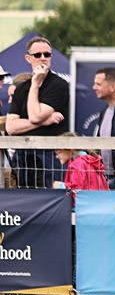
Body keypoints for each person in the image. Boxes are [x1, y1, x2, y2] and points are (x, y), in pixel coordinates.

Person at [5, 36, 69, 187]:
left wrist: (35, 84)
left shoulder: (59, 85)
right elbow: (11, 127)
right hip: (24, 154)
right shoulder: (21, 88)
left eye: (47, 55)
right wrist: (45, 121)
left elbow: (35, 115)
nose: (42, 58)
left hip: (50, 155)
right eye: (37, 55)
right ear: (28, 58)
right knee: (26, 200)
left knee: (50, 198)